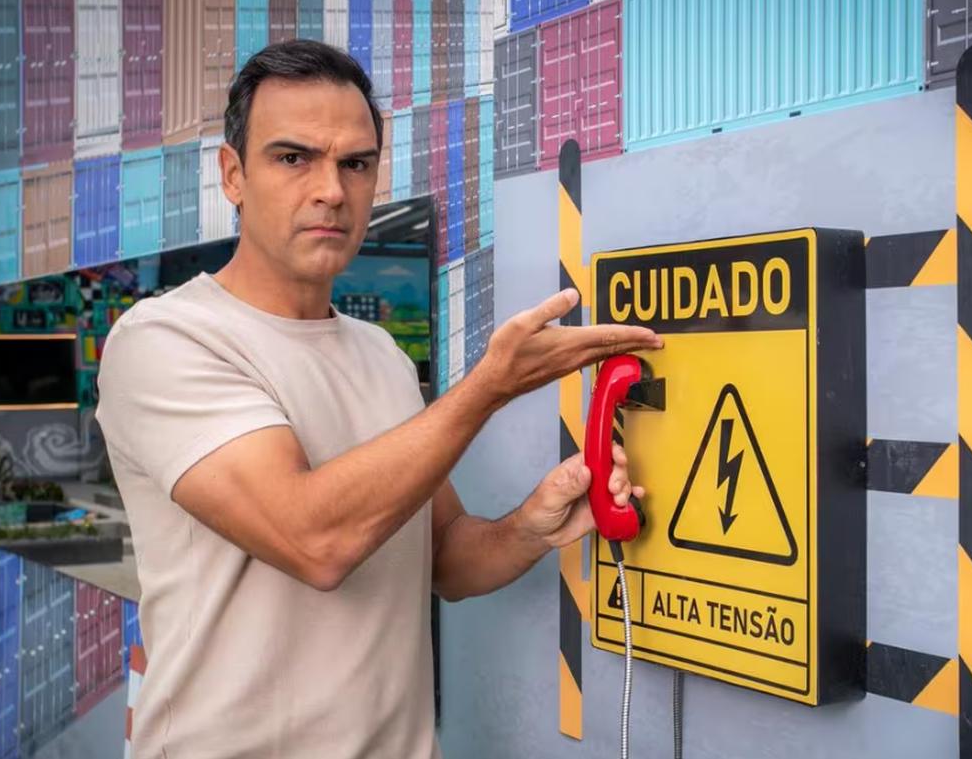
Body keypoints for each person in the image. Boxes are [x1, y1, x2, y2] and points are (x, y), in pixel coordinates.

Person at [95, 40, 659, 758]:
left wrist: (533, 526)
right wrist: (489, 387)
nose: (332, 190)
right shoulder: (164, 341)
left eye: (356, 164)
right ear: (233, 174)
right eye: (293, 158)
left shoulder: (383, 355)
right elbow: (316, 542)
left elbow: (444, 555)